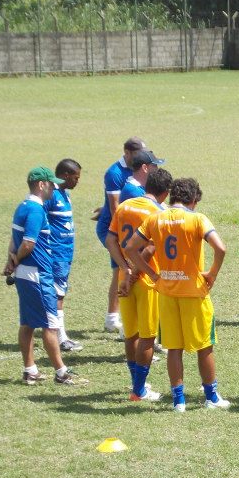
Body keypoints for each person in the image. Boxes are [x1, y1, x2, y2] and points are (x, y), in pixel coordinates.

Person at [127, 178, 228, 412]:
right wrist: (212, 274)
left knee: (174, 348)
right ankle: (211, 397)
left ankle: (178, 401)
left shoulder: (155, 218)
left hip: (167, 292)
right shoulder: (197, 219)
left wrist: (153, 274)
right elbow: (221, 248)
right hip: (194, 292)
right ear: (193, 199)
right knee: (205, 346)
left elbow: (131, 248)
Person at [4, 166, 87, 386]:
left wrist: (11, 261)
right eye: (51, 183)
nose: (54, 187)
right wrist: (17, 259)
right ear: (42, 185)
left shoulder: (21, 206)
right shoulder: (35, 210)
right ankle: (61, 373)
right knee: (50, 324)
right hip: (38, 274)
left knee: (28, 323)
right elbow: (29, 243)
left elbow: (15, 240)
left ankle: (30, 370)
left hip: (25, 274)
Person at [106, 168, 173, 402]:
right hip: (146, 280)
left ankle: (136, 386)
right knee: (147, 336)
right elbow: (150, 248)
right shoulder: (159, 213)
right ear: (165, 193)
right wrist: (135, 273)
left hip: (126, 281)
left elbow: (110, 239)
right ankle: (139, 390)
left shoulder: (124, 206)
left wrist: (124, 270)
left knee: (131, 334)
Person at [96, 137, 147, 334]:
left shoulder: (136, 167)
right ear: (126, 153)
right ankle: (121, 321)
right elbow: (116, 206)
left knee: (120, 270)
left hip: (124, 226)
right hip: (113, 228)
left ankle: (112, 318)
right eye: (137, 155)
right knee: (123, 269)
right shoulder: (114, 173)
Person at [45, 158, 82, 352]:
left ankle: (58, 334)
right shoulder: (51, 195)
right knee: (57, 295)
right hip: (56, 254)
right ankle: (61, 337)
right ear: (65, 176)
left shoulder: (64, 194)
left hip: (65, 253)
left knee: (60, 294)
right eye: (75, 177)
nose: (78, 181)